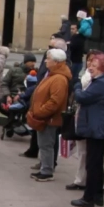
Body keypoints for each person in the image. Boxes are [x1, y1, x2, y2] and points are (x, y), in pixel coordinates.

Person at [71, 53, 104, 207]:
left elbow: (82, 97)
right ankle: (98, 195)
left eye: (94, 66)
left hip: (98, 130)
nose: (90, 68)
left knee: (92, 164)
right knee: (97, 163)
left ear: (103, 68)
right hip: (100, 128)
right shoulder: (101, 81)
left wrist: (77, 86)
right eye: (90, 65)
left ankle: (89, 198)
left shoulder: (101, 83)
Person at [26, 48, 72, 182]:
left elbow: (55, 102)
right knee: (44, 144)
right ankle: (44, 168)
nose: (45, 61)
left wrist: (40, 112)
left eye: (48, 59)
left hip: (48, 118)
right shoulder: (53, 75)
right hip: (44, 117)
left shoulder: (59, 78)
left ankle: (47, 171)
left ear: (57, 62)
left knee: (46, 145)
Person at [66, 54, 97, 192]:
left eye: (93, 62)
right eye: (88, 60)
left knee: (88, 153)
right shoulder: (85, 75)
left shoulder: (100, 79)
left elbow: (82, 95)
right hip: (80, 116)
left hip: (90, 119)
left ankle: (85, 182)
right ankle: (80, 180)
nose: (90, 64)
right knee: (81, 151)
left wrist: (78, 89)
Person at [0, 53, 36, 129]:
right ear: (26, 62)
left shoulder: (34, 73)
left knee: (18, 106)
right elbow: (4, 83)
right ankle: (13, 119)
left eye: (34, 62)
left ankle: (11, 124)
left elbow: (34, 87)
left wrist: (22, 95)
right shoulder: (14, 70)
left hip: (24, 97)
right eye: (32, 61)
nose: (33, 64)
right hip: (11, 95)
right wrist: (8, 95)